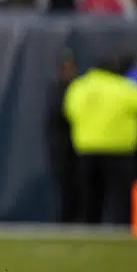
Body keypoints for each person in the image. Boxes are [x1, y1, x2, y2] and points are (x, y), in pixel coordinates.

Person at [64, 55, 137, 224]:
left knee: (91, 197)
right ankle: (123, 228)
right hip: (120, 150)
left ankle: (89, 229)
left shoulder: (79, 87)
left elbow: (70, 111)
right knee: (121, 197)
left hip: (87, 149)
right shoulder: (125, 87)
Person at [48, 50, 81, 222]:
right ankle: (66, 221)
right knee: (66, 188)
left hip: (78, 147)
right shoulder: (57, 90)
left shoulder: (78, 88)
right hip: (62, 148)